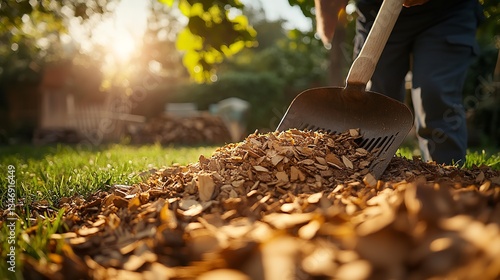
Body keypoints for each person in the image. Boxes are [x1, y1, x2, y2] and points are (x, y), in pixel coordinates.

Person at [314, 0, 484, 165]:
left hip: (448, 12)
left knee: (434, 92)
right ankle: (367, 174)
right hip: (378, 14)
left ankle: (446, 176)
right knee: (375, 101)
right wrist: (328, 22)